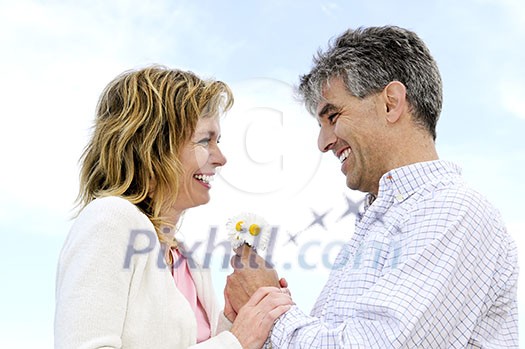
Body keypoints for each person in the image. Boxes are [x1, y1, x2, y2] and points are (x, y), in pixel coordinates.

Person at [225, 26, 519, 348]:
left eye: (333, 116)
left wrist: (268, 308)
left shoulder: (451, 210)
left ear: (391, 103)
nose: (323, 143)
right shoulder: (388, 219)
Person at [54, 65, 292, 349]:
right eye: (206, 140)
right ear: (154, 147)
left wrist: (238, 316)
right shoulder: (109, 220)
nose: (221, 158)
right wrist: (236, 341)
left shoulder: (187, 259)